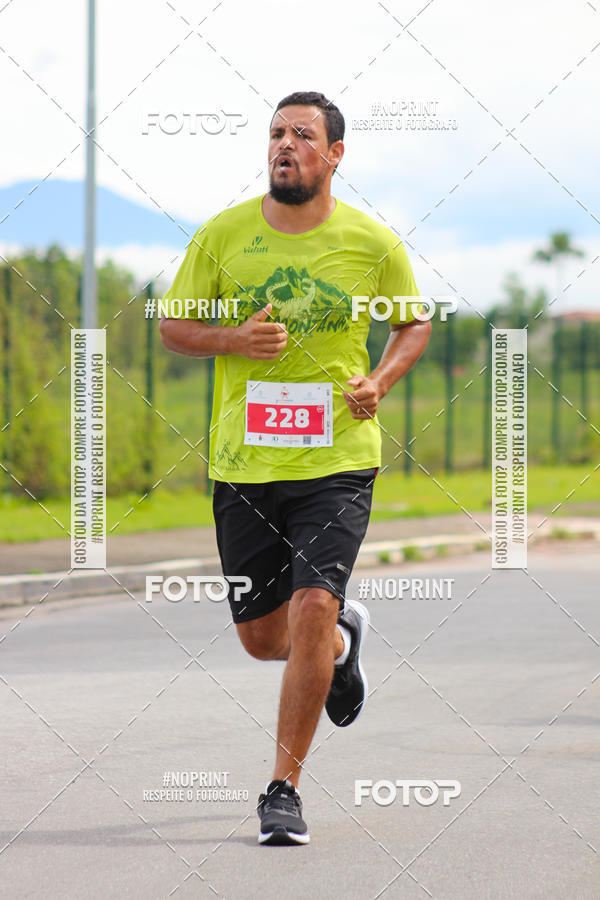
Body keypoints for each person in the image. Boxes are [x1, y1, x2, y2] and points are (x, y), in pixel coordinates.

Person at [159, 90, 431, 845]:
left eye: (303, 135)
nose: (285, 144)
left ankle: (283, 789)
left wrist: (380, 381)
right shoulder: (222, 235)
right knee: (262, 637)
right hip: (244, 464)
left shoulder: (372, 242)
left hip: (337, 461)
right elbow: (174, 327)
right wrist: (232, 340)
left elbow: (413, 323)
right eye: (276, 133)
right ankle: (341, 645)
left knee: (312, 603)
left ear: (335, 154)